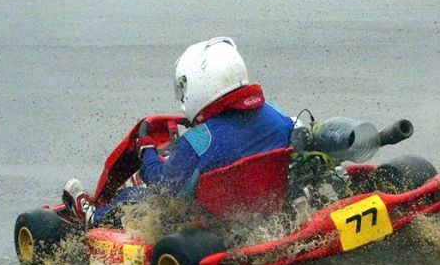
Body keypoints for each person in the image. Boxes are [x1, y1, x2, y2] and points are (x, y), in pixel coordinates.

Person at [62, 36, 294, 227]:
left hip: (210, 221)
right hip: (262, 207)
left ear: (200, 84)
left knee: (130, 196)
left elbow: (162, 184)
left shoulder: (198, 141)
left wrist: (147, 151)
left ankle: (93, 219)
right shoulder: (277, 114)